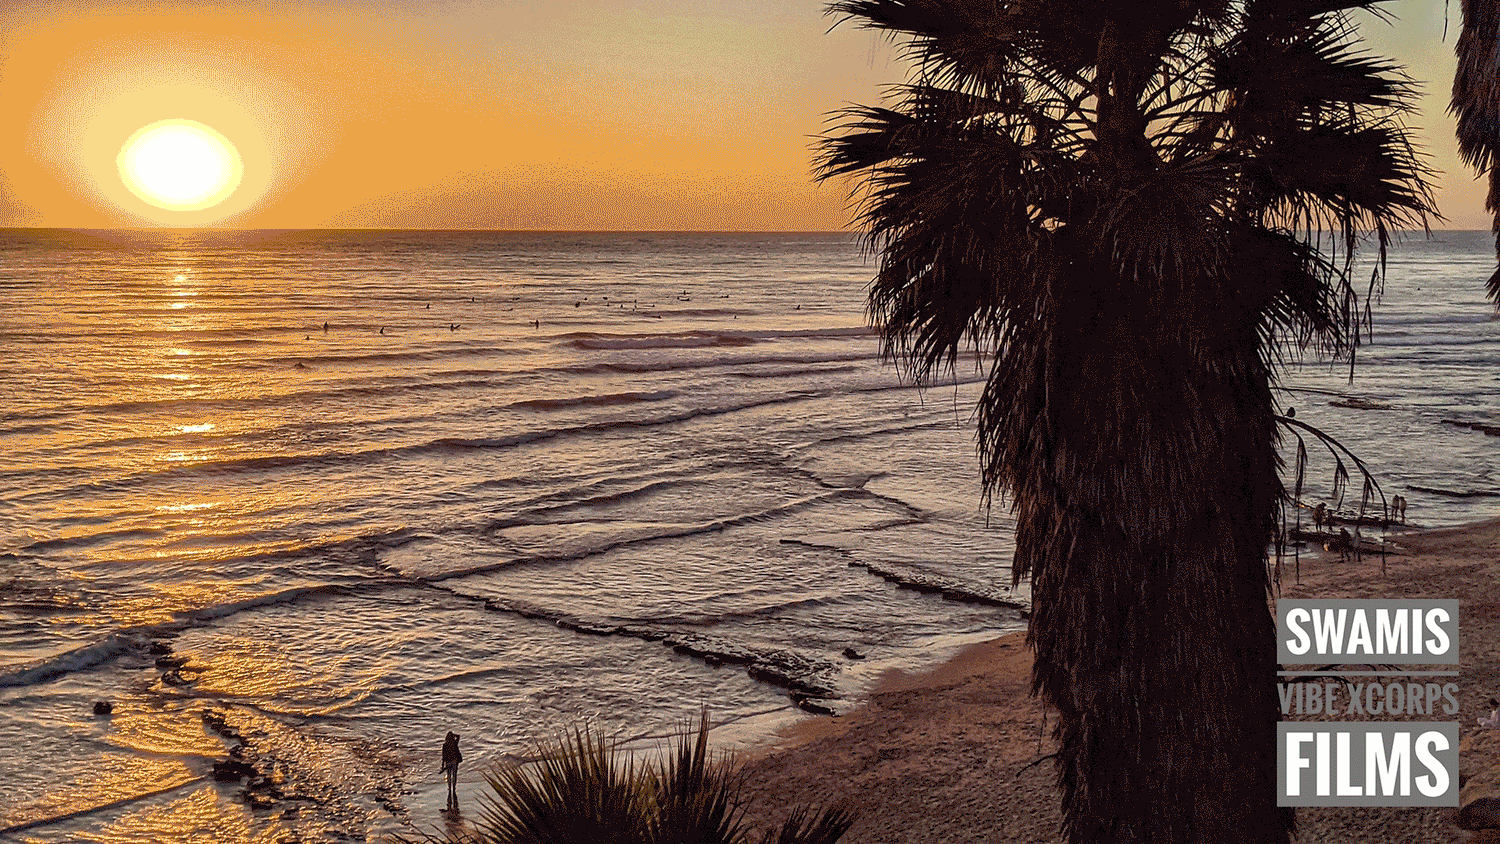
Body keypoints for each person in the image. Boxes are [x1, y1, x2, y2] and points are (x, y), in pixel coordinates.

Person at [442, 731, 462, 808]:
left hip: (448, 762)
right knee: (454, 775)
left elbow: (443, 756)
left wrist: (442, 765)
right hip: (454, 761)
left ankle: (449, 788)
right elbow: (459, 736)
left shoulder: (445, 745)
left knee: (449, 775)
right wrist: (454, 735)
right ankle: (454, 788)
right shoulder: (454, 743)